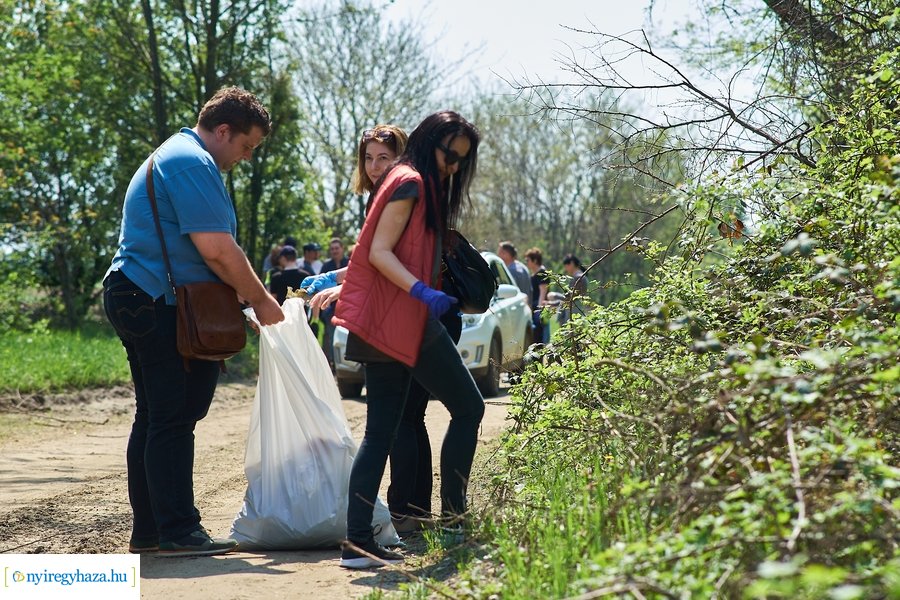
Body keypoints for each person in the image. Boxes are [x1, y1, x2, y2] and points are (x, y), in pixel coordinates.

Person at [101, 86, 285, 557]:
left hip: (141, 294)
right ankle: (179, 531)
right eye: (246, 146)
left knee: (158, 416)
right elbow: (216, 249)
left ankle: (152, 532)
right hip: (153, 299)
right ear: (223, 130)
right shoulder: (192, 161)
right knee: (173, 418)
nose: (244, 157)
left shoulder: (178, 156)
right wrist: (262, 301)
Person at [331, 111, 484, 569]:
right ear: (430, 140)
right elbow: (377, 252)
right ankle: (455, 519)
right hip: (401, 319)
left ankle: (357, 542)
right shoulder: (410, 180)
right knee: (469, 408)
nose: (453, 166)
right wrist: (423, 291)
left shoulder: (405, 179)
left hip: (388, 320)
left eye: (462, 160)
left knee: (381, 431)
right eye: (449, 154)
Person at [306, 124, 459, 535]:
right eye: (369, 158)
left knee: (404, 421)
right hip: (392, 319)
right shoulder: (391, 191)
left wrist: (342, 284)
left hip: (406, 316)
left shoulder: (405, 189)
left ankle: (409, 511)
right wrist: (335, 279)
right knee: (394, 427)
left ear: (401, 157)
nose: (375, 167)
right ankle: (404, 515)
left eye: (383, 158)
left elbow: (384, 258)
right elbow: (375, 258)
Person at [318, 237, 349, 367]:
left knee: (347, 338)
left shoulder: (350, 262)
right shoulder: (326, 266)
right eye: (332, 249)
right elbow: (320, 285)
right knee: (332, 338)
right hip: (331, 309)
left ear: (342, 249)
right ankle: (335, 365)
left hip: (349, 308)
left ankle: (349, 364)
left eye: (337, 248)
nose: (334, 251)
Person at [525, 247, 551, 344]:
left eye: (528, 260)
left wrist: (539, 311)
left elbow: (543, 292)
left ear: (535, 260)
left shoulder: (542, 273)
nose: (526, 262)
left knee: (539, 336)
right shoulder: (535, 274)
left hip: (540, 309)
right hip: (535, 307)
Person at [560, 253, 588, 326]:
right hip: (576, 311)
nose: (565, 268)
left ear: (571, 263)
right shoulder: (578, 276)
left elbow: (571, 296)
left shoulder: (578, 277)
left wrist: (557, 298)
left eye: (566, 265)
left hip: (574, 312)